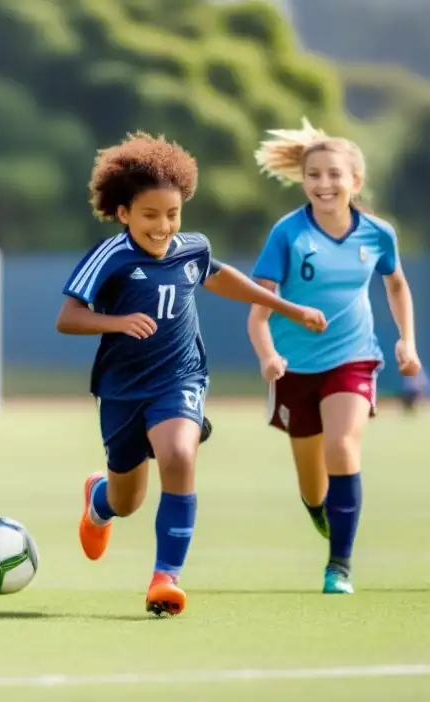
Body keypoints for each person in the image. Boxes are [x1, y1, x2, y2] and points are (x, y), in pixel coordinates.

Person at [56, 132, 327, 616]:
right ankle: (99, 501)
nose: (163, 226)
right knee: (127, 500)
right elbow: (68, 317)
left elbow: (222, 277)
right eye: (150, 215)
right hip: (122, 390)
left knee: (180, 454)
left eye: (173, 214)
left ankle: (166, 579)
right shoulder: (110, 257)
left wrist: (287, 307)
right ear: (123, 214)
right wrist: (116, 321)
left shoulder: (192, 249)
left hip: (180, 378)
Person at [248, 119, 422, 594]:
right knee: (313, 485)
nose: (323, 184)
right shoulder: (287, 234)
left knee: (342, 447)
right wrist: (268, 358)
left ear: (355, 182)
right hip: (293, 366)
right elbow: (258, 313)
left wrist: (407, 340)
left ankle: (339, 566)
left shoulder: (378, 234)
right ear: (303, 181)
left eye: (333, 175)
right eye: (314, 175)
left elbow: (397, 285)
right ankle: (320, 509)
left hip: (353, 357)